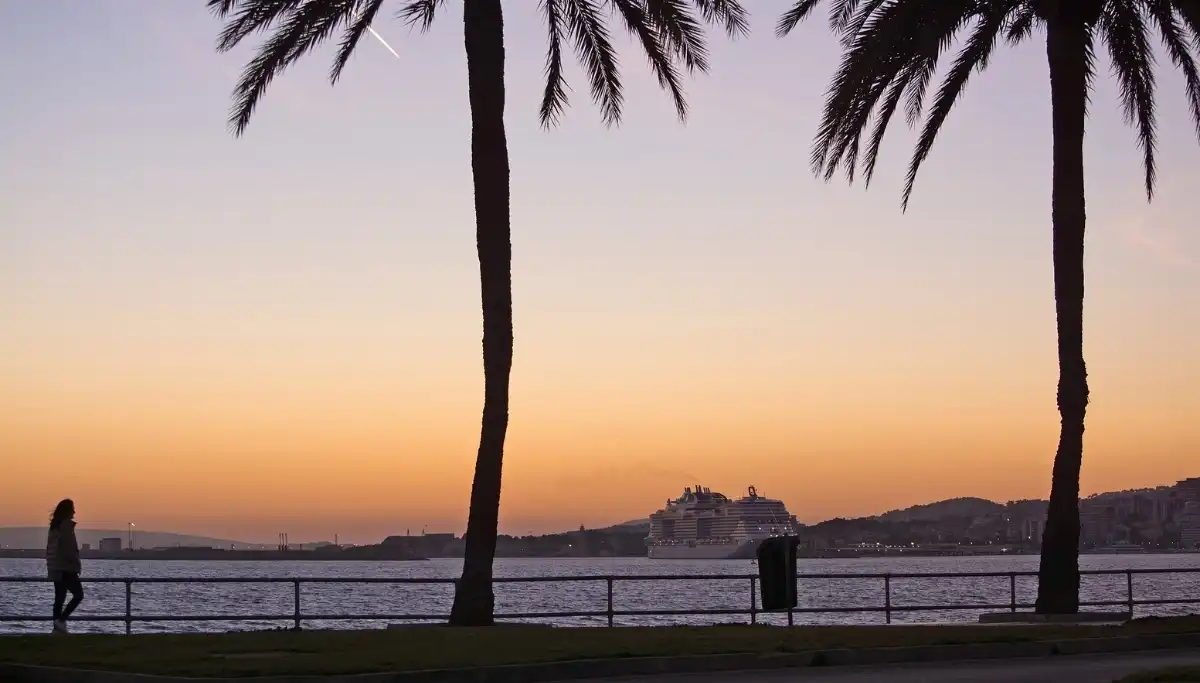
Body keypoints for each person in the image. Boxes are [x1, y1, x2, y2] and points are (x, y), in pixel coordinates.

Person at [46, 499, 83, 634]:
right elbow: (69, 549)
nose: (74, 511)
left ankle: (57, 628)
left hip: (56, 568)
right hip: (67, 568)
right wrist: (76, 564)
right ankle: (61, 621)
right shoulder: (66, 526)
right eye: (72, 509)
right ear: (68, 511)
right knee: (78, 595)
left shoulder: (54, 526)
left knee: (59, 599)